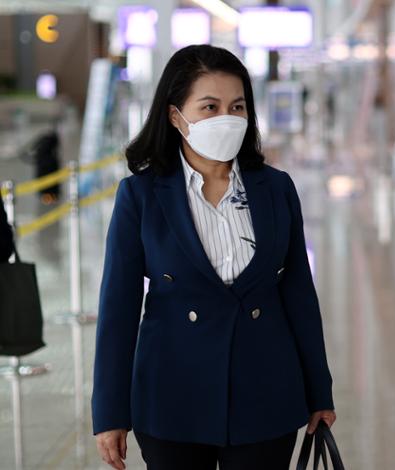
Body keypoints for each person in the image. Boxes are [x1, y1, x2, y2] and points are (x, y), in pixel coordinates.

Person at [92, 45, 336, 470]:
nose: (227, 117)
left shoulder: (276, 189)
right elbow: (118, 307)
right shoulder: (141, 196)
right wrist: (110, 413)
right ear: (175, 117)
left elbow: (299, 293)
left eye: (237, 106)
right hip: (172, 397)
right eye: (210, 106)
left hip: (265, 395)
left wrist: (319, 391)